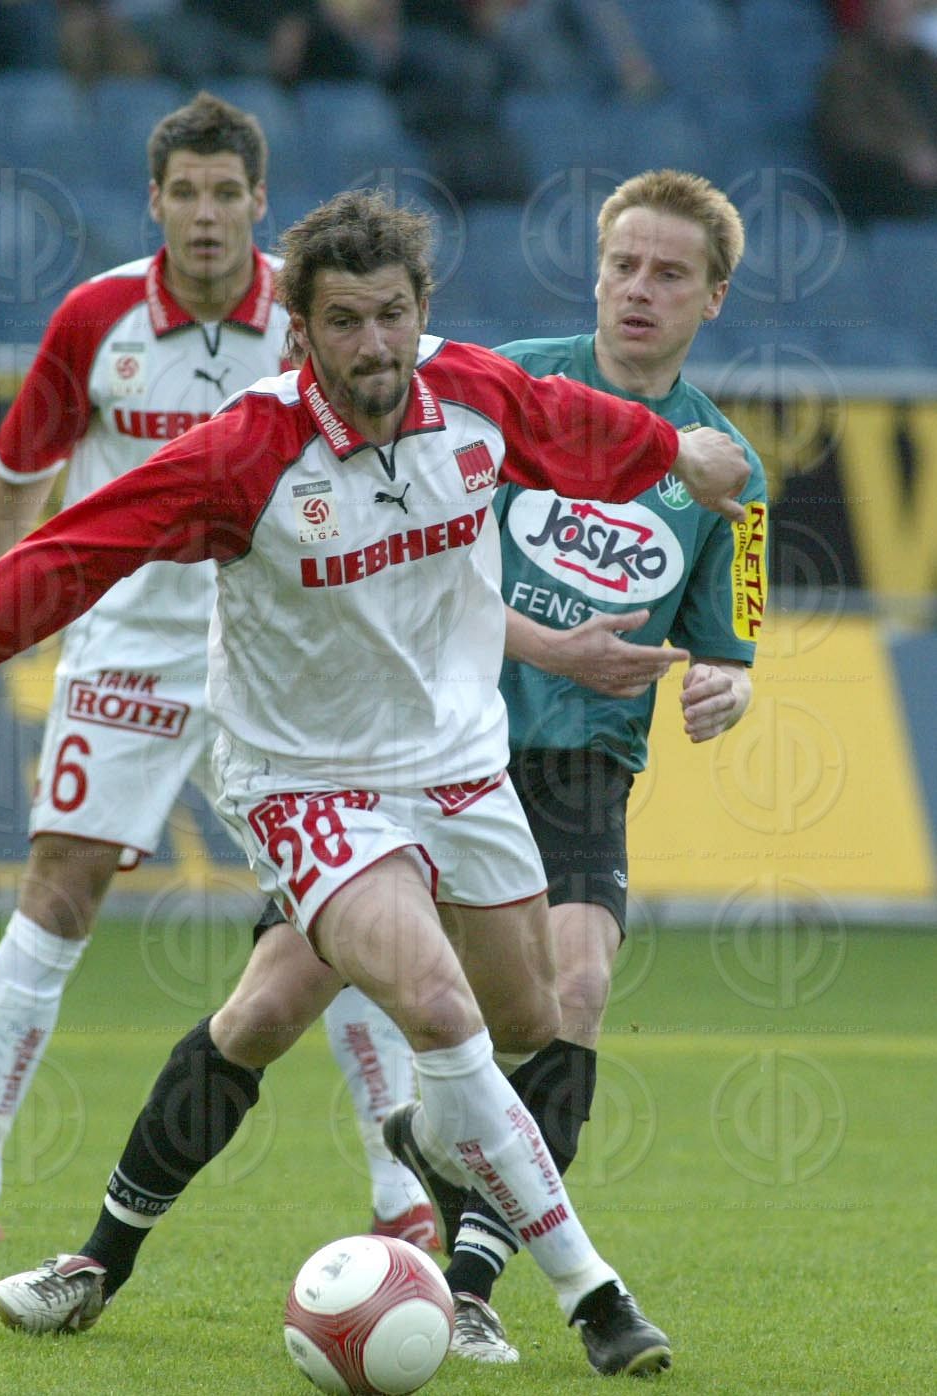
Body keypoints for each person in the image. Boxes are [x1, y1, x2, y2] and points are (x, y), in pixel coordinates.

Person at [0, 188, 750, 1378]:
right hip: (307, 785)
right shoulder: (240, 453)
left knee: (521, 1027)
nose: (374, 346)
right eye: (343, 321)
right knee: (438, 1014)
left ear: (420, 315)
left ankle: (400, 1149)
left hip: (459, 766)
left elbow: (580, 429)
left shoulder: (472, 392)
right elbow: (62, 558)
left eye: (392, 316)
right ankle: (594, 1296)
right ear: (296, 329)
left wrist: (681, 453)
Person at [324, 167, 767, 1365]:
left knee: (573, 997)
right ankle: (91, 1246)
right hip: (434, 748)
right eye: (622, 263)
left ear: (710, 299)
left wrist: (728, 682)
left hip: (581, 770)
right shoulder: (510, 385)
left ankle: (468, 1274)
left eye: (669, 273)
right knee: (285, 1004)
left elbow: (730, 638)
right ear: (596, 269)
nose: (638, 289)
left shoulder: (731, 471)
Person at [0, 90, 298, 1242]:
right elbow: (20, 478)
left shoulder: (309, 317)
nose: (205, 215)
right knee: (61, 883)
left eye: (225, 193)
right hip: (126, 643)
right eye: (184, 192)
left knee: (331, 907)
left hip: (274, 653)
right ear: (154, 203)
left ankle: (397, 1198)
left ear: (256, 203)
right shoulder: (94, 319)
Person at [814, 0, 937, 221]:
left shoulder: (924, 63)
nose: (896, 24)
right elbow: (848, 129)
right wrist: (905, 154)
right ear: (871, 16)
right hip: (875, 179)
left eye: (903, 17)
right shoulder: (849, 65)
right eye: (889, 16)